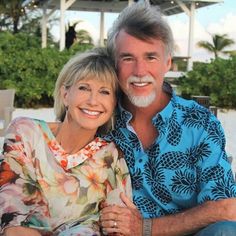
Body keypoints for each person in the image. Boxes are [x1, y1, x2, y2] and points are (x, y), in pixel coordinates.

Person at [99, 2, 236, 236]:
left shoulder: (199, 122)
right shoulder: (100, 119)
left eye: (151, 57)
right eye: (128, 58)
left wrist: (146, 228)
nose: (140, 71)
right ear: (114, 64)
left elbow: (226, 208)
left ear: (168, 62)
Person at [0, 47, 132, 236]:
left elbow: (117, 225)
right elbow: (13, 209)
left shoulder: (111, 157)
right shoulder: (26, 132)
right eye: (84, 88)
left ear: (113, 105)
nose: (93, 101)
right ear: (65, 94)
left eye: (104, 92)